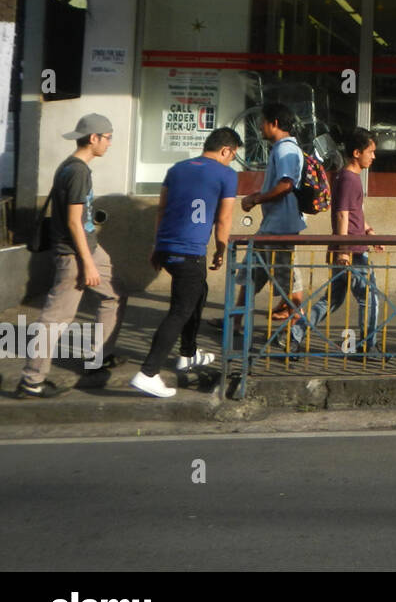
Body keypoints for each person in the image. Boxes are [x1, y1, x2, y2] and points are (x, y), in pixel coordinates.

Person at [17, 114, 123, 398]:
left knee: (111, 297)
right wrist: (87, 261)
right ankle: (31, 380)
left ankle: (97, 358)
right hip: (76, 254)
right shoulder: (78, 172)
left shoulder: (69, 167)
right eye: (108, 137)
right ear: (94, 138)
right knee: (55, 318)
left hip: (88, 248)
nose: (110, 143)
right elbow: (74, 221)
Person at [131, 128, 241, 398]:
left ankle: (187, 353)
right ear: (225, 150)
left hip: (168, 248)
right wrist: (221, 248)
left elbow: (161, 209)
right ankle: (148, 373)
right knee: (180, 310)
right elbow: (224, 218)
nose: (231, 161)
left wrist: (157, 246)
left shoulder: (176, 169)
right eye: (232, 156)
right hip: (190, 251)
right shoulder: (226, 174)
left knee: (198, 293)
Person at [289, 128, 384, 355]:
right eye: (370, 152)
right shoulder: (350, 179)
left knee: (332, 300)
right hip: (351, 250)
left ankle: (295, 335)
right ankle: (369, 346)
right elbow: (342, 214)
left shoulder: (345, 176)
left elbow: (354, 212)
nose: (373, 156)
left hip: (349, 246)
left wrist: (368, 230)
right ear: (356, 153)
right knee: (370, 298)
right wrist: (343, 250)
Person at [227, 102, 305, 340]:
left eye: (263, 121)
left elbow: (286, 184)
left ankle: (296, 326)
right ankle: (235, 323)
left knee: (285, 280)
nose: (260, 126)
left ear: (275, 123)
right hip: (272, 225)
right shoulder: (281, 149)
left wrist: (256, 198)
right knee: (251, 273)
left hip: (281, 227)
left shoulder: (285, 150)